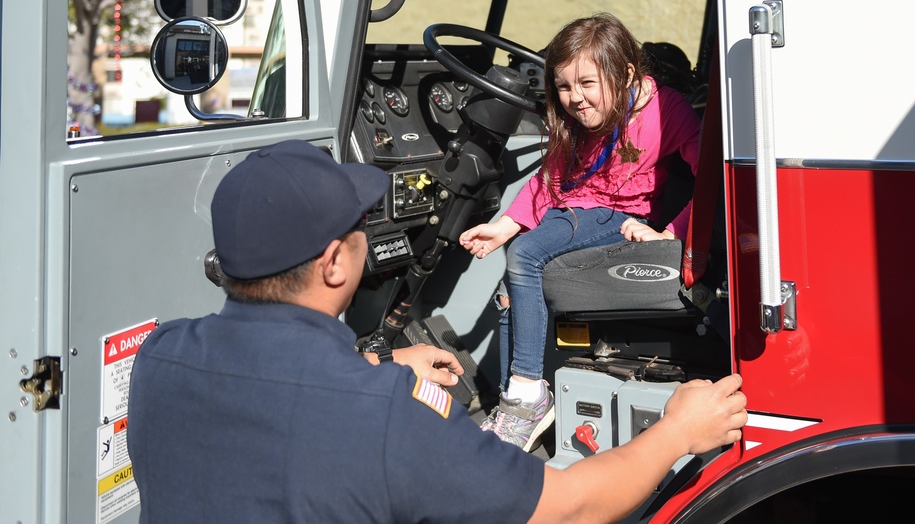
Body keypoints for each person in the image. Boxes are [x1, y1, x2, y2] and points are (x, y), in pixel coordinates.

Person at [127, 139, 746, 524]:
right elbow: (570, 508)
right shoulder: (389, 420)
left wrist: (384, 366)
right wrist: (676, 432)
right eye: (360, 224)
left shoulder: (159, 358)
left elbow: (277, 394)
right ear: (336, 263)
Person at [459, 13, 702, 450]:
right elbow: (549, 181)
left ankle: (529, 394)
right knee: (509, 289)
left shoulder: (666, 111)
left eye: (587, 84)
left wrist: (672, 232)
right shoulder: (575, 120)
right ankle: (514, 405)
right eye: (565, 87)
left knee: (526, 255)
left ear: (626, 74)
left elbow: (714, 181)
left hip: (617, 215)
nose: (575, 98)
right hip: (574, 211)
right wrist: (503, 226)